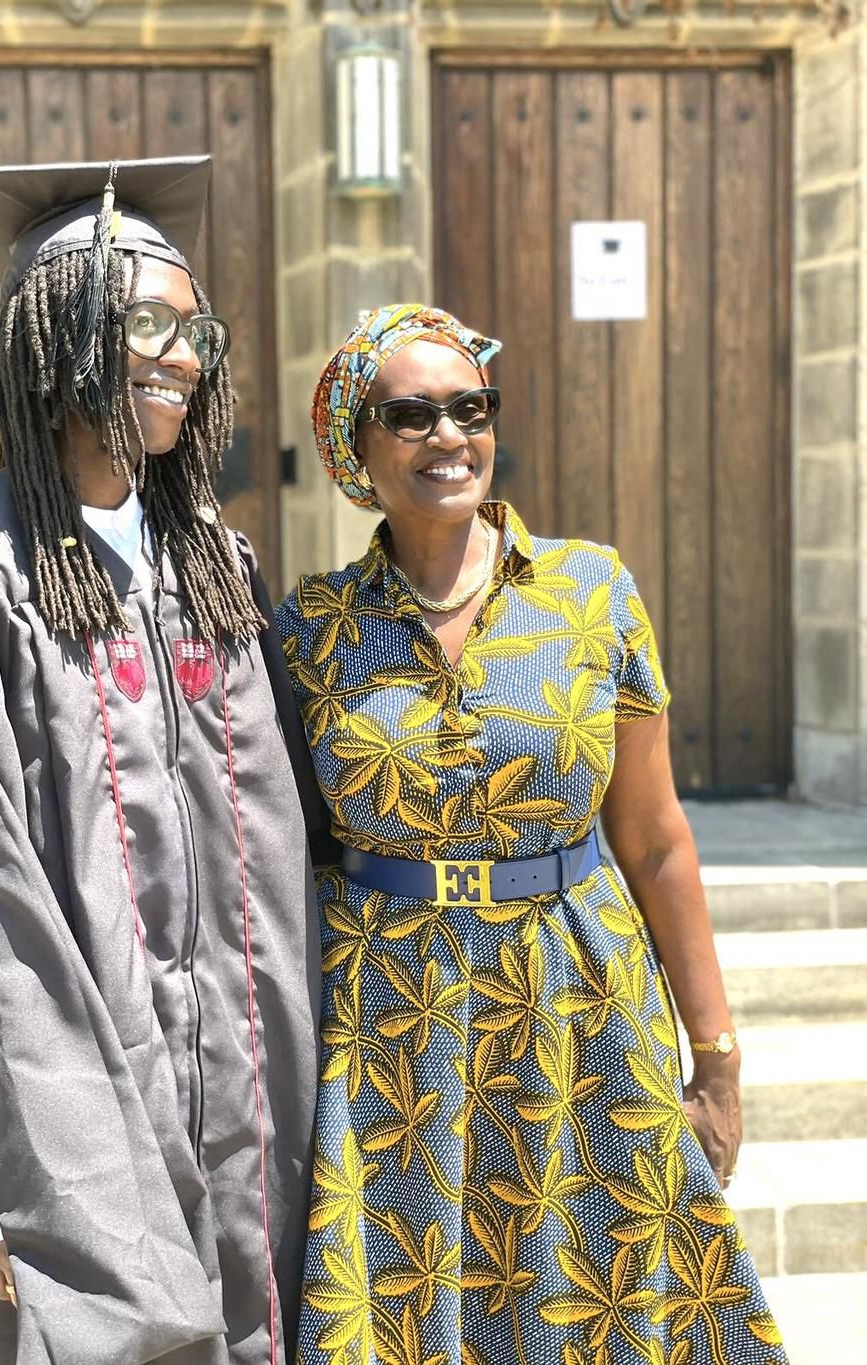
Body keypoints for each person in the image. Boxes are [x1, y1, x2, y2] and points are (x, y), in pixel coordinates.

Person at [0, 157, 324, 1365]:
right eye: (149, 324)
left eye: (195, 328)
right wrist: (2, 1174)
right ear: (54, 336)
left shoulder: (218, 567)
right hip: (76, 1124)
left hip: (257, 1095)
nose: (186, 353)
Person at [275, 304, 787, 1364]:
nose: (447, 435)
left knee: (595, 1299)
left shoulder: (591, 592)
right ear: (356, 448)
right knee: (413, 1316)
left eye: (471, 407)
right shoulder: (311, 627)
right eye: (409, 415)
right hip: (392, 1035)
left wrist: (716, 1055)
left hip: (579, 1001)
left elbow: (653, 841)